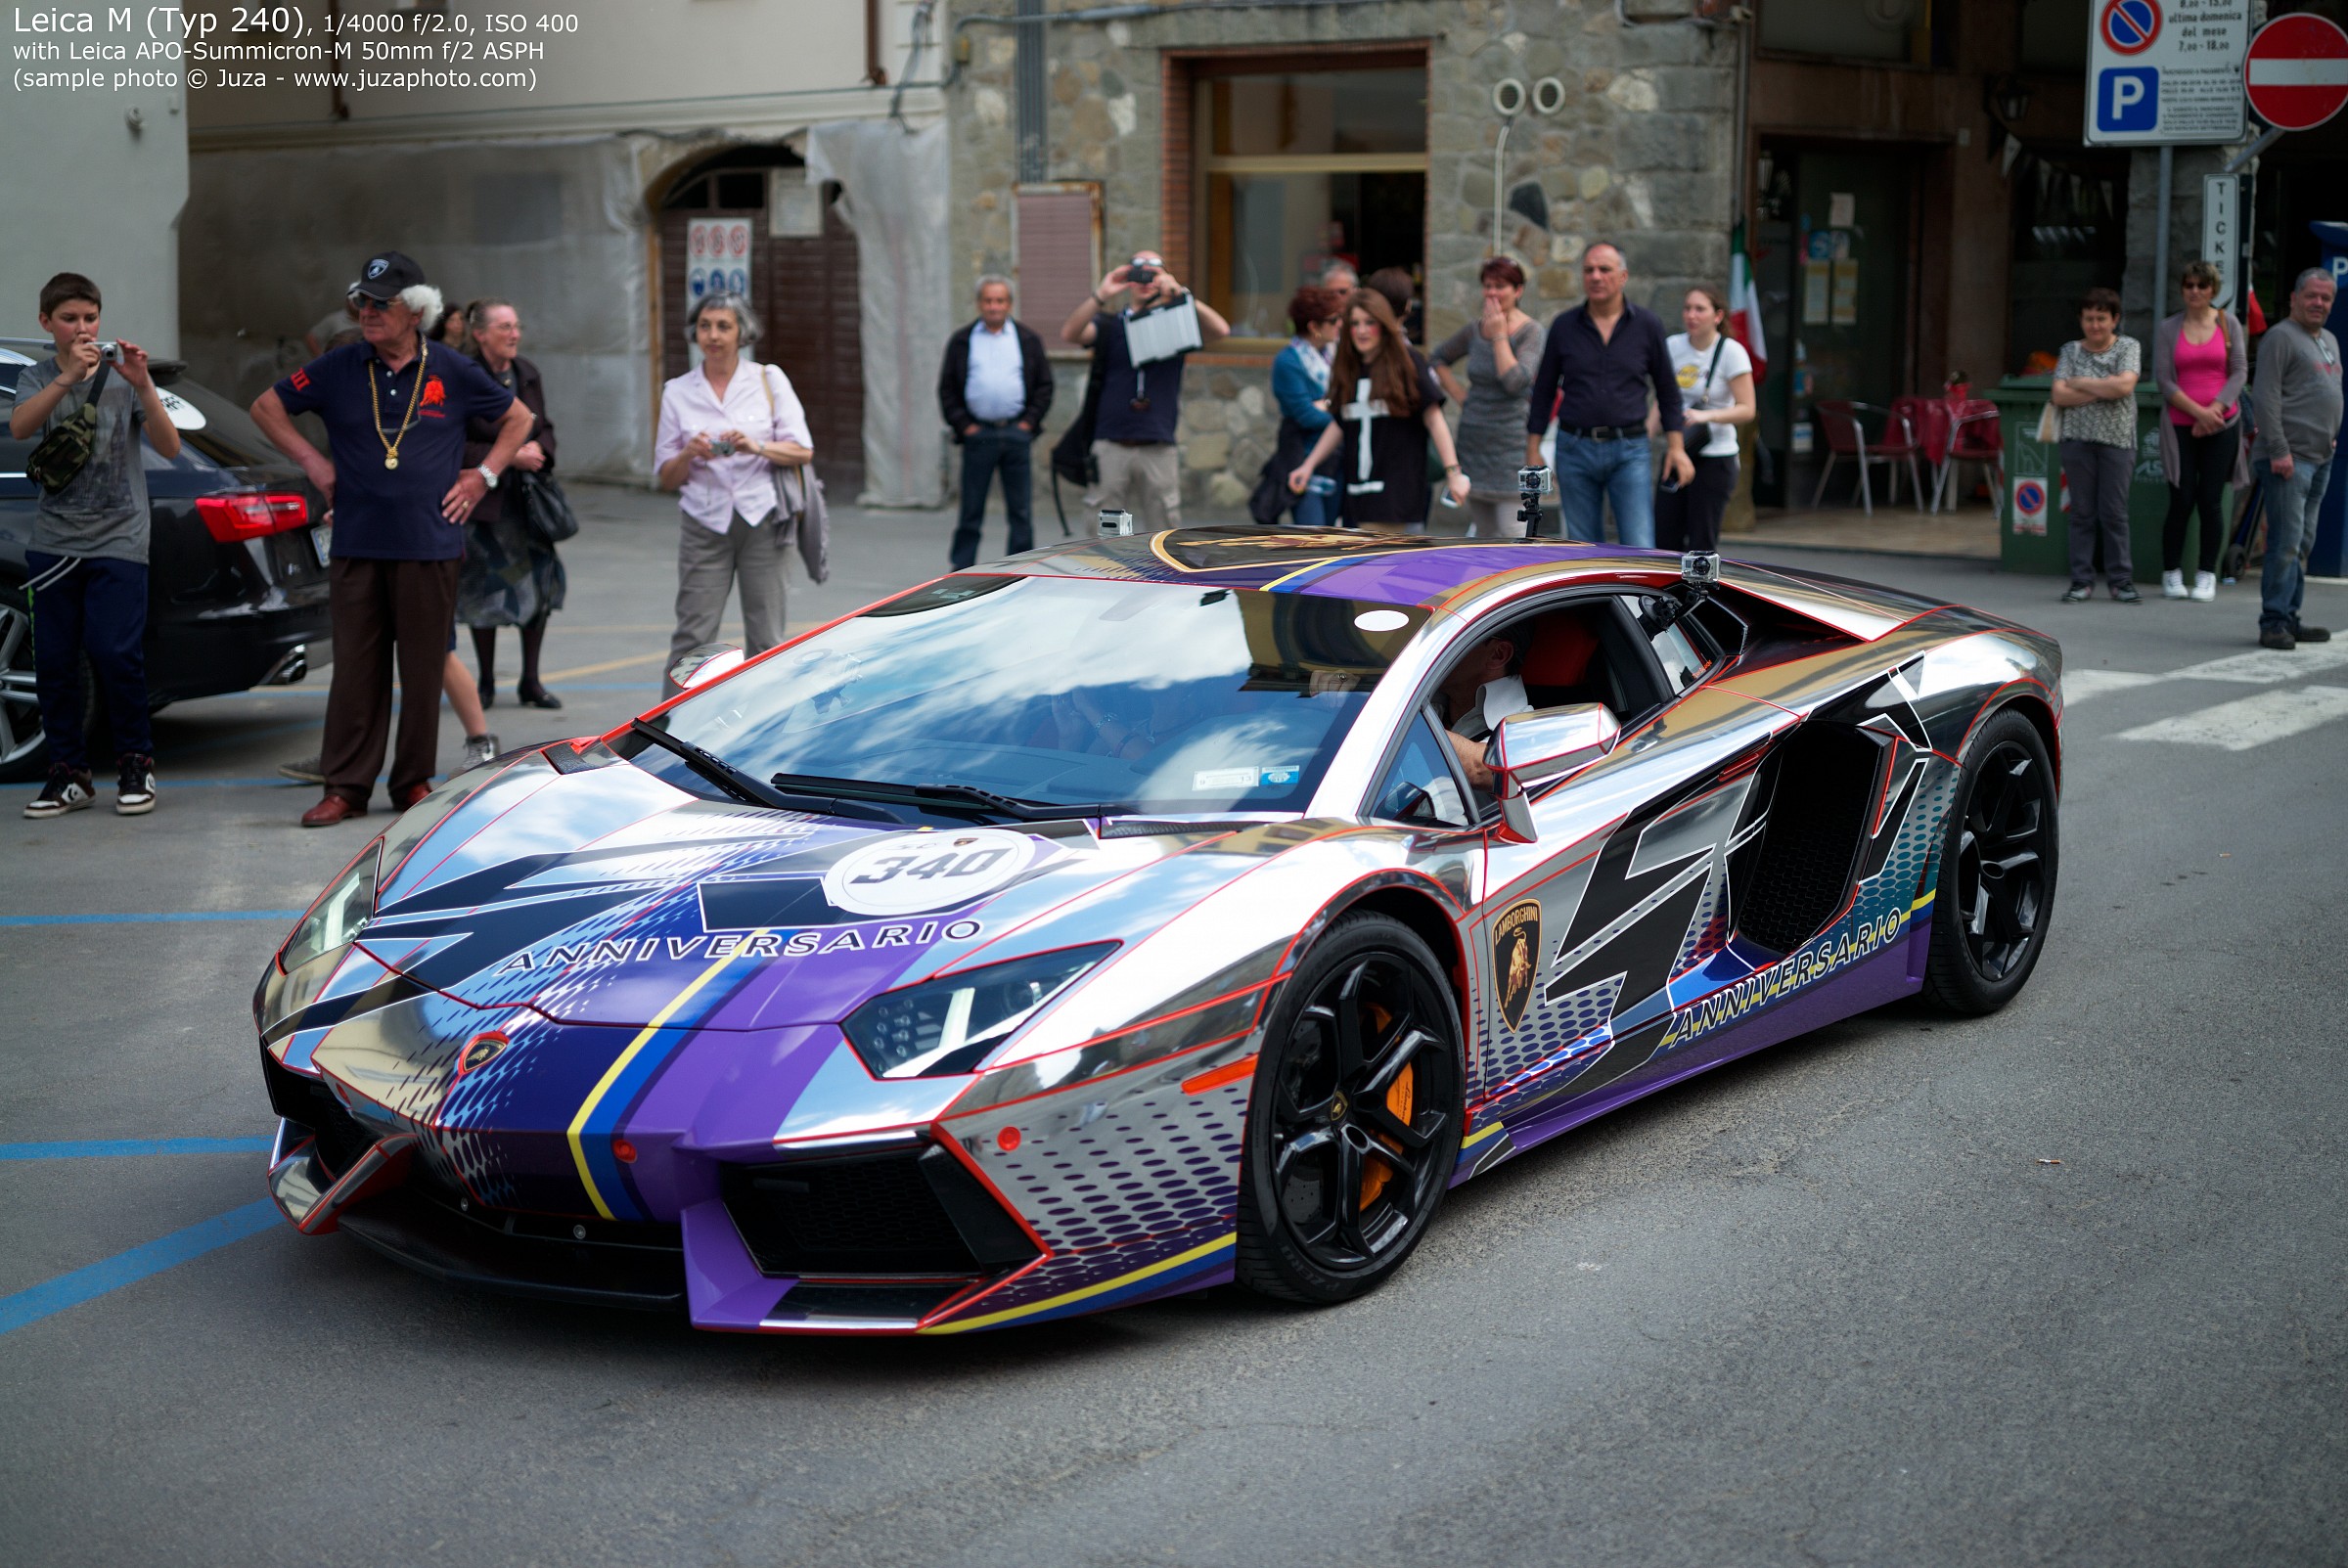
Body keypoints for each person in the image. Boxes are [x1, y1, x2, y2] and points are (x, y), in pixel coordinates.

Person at [251, 250, 533, 828]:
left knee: (425, 666)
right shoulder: (341, 366)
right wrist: (313, 463)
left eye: (381, 303)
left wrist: (483, 477)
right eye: (362, 301)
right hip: (357, 540)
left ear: (414, 312)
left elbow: (519, 419)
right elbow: (267, 407)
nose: (367, 312)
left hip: (430, 543)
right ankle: (347, 786)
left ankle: (411, 780)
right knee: (357, 667)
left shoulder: (452, 369)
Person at [9, 271, 179, 819]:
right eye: (69, 319)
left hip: (120, 540)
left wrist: (144, 383)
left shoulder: (123, 378)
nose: (82, 328)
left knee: (114, 652)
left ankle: (136, 763)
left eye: (89, 317)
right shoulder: (38, 377)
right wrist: (68, 379)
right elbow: (20, 428)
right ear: (46, 323)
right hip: (54, 544)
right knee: (55, 662)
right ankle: (69, 774)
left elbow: (170, 447)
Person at [655, 291, 814, 694]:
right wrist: (690, 452)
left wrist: (754, 445)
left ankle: (767, 731)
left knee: (767, 637)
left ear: (742, 332)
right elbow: (666, 478)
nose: (713, 335)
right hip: (704, 522)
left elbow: (802, 449)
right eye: (705, 326)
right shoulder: (678, 390)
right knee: (693, 635)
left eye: (724, 326)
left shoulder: (768, 379)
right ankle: (668, 728)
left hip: (764, 518)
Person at [1524, 242, 1692, 547]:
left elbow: (1667, 390)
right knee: (1582, 549)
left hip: (1629, 449)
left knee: (1639, 545)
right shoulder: (1564, 326)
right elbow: (1544, 390)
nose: (1596, 276)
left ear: (1623, 276)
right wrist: (1533, 448)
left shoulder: (1647, 325)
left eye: (1604, 269)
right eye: (1589, 270)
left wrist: (1676, 447)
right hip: (1574, 448)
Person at [1059, 249, 1231, 533]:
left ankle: (1158, 578)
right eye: (1139, 272)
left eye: (1154, 273)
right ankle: (1104, 578)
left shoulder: (1175, 321)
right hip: (1112, 440)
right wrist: (1101, 294)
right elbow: (1070, 334)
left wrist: (1181, 294)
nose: (1146, 279)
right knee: (1106, 530)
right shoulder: (1111, 324)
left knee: (1163, 526)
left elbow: (1220, 330)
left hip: (1157, 442)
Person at [1286, 290, 1471, 532]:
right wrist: (1308, 466)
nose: (1362, 330)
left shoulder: (1407, 363)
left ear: (1383, 324)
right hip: (1360, 491)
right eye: (1355, 323)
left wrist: (1454, 473)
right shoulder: (1349, 369)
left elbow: (1434, 418)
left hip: (1398, 491)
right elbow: (1341, 422)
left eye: (1369, 322)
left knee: (1388, 565)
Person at [460, 297, 564, 708]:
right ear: (480, 334)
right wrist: (508, 456)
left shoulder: (527, 373)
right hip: (487, 505)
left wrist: (540, 449)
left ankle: (531, 682)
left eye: (516, 326)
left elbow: (547, 427)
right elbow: (456, 443)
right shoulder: (465, 377)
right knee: (484, 595)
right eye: (504, 327)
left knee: (539, 591)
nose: (514, 334)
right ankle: (485, 683)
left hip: (529, 505)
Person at [2250, 267, 2342, 650]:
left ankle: (2290, 616)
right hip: (2288, 458)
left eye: (2326, 298)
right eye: (2312, 296)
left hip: (2319, 456)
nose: (2319, 303)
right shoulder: (2280, 337)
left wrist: (2329, 436)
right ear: (2294, 298)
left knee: (2302, 542)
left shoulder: (2329, 340)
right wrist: (2280, 450)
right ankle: (2273, 621)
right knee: (2286, 542)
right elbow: (2265, 397)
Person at [938, 275, 1053, 568]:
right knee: (971, 510)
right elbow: (947, 388)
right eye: (988, 300)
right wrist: (965, 426)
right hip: (979, 435)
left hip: (1016, 433)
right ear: (979, 303)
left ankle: (1020, 570)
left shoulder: (1027, 339)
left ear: (1009, 304)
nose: (993, 306)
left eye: (1000, 300)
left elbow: (1044, 386)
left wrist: (1028, 424)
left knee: (1021, 511)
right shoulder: (962, 341)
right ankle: (961, 571)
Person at [2152, 262, 2248, 603]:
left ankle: (2207, 574)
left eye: (2201, 286)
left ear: (2212, 290)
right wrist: (2197, 413)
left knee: (2210, 501)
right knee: (2181, 498)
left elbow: (2239, 372)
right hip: (2181, 423)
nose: (2194, 291)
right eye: (2188, 285)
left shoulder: (2228, 323)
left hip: (2222, 423)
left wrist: (2215, 411)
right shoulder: (2168, 328)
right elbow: (2164, 378)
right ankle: (2172, 573)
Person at [1433, 257, 1544, 537]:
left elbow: (1515, 382)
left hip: (1510, 448)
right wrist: (1460, 395)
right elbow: (1438, 358)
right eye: (1487, 286)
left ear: (1518, 291)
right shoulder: (1474, 329)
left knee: (1513, 535)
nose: (1492, 293)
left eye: (1501, 286)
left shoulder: (1532, 331)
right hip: (1474, 444)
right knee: (1483, 536)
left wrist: (1498, 336)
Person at [2052, 287, 2144, 605]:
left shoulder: (2129, 347)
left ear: (2115, 319)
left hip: (2117, 441)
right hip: (2076, 441)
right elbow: (2059, 395)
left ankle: (2121, 581)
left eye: (2101, 319)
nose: (2095, 325)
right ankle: (2081, 581)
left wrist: (2080, 382)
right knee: (2081, 513)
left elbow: (2125, 385)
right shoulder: (2070, 351)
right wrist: (2104, 388)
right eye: (2089, 319)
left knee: (2114, 513)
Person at [1655, 287, 1755, 552]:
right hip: (1678, 451)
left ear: (1718, 316)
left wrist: (1705, 415)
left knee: (1701, 542)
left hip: (1715, 456)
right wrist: (1648, 430)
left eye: (1700, 309)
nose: (1692, 315)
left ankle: (1699, 593)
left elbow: (1747, 409)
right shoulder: (1673, 345)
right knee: (1665, 538)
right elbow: (1663, 396)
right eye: (1687, 308)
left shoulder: (1731, 352)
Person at [1271, 285, 1342, 527]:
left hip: (1337, 461)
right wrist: (1339, 412)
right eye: (1334, 320)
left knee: (1337, 538)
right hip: (1304, 461)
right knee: (1313, 540)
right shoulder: (1288, 361)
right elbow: (1307, 416)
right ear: (1314, 327)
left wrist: (1326, 405)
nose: (1340, 324)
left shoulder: (1336, 355)